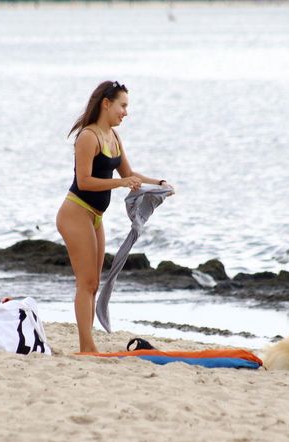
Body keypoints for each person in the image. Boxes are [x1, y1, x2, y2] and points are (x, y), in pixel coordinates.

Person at [56, 81, 171, 353]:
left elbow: (130, 174)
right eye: (123, 105)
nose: (125, 112)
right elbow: (84, 182)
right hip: (75, 213)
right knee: (86, 283)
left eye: (126, 107)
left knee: (94, 283)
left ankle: (88, 343)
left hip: (95, 217)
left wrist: (160, 183)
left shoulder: (114, 138)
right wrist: (121, 184)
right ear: (106, 103)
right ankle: (87, 347)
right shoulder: (88, 137)